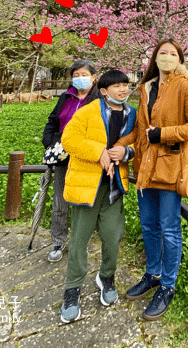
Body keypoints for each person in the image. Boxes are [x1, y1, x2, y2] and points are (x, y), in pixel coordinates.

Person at [115, 39, 188, 321]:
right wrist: (120, 146)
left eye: (173, 54)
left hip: (170, 169)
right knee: (149, 226)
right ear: (154, 58)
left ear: (179, 59)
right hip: (145, 169)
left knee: (169, 229)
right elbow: (140, 131)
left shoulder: (184, 86)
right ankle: (153, 273)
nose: (167, 57)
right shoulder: (145, 89)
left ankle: (168, 285)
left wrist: (163, 134)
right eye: (162, 53)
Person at [59, 70, 137, 322]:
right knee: (79, 240)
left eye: (125, 85)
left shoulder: (131, 114)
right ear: (103, 91)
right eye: (116, 86)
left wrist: (125, 152)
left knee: (113, 237)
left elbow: (138, 143)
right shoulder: (88, 111)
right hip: (87, 185)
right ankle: (72, 288)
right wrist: (98, 152)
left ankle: (106, 277)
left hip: (114, 187)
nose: (123, 90)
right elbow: (69, 138)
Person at [42, 59, 100, 263]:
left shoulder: (99, 99)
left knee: (83, 201)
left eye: (84, 74)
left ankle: (80, 240)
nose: (80, 78)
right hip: (62, 156)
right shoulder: (67, 97)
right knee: (60, 201)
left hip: (86, 157)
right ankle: (58, 241)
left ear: (94, 77)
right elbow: (52, 121)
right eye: (76, 75)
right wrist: (50, 143)